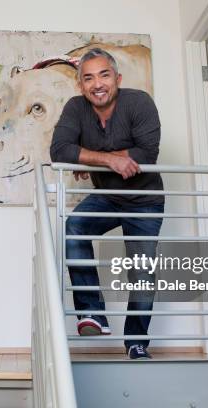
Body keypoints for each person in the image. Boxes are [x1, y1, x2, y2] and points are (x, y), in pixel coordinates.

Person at [49, 48, 164, 359]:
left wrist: (87, 156)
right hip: (107, 197)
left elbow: (146, 153)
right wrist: (109, 160)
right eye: (88, 78)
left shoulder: (138, 102)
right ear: (80, 85)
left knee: (141, 273)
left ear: (117, 79)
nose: (97, 84)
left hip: (145, 202)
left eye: (104, 75)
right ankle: (93, 313)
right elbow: (60, 150)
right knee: (75, 227)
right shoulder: (76, 108)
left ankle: (136, 342)